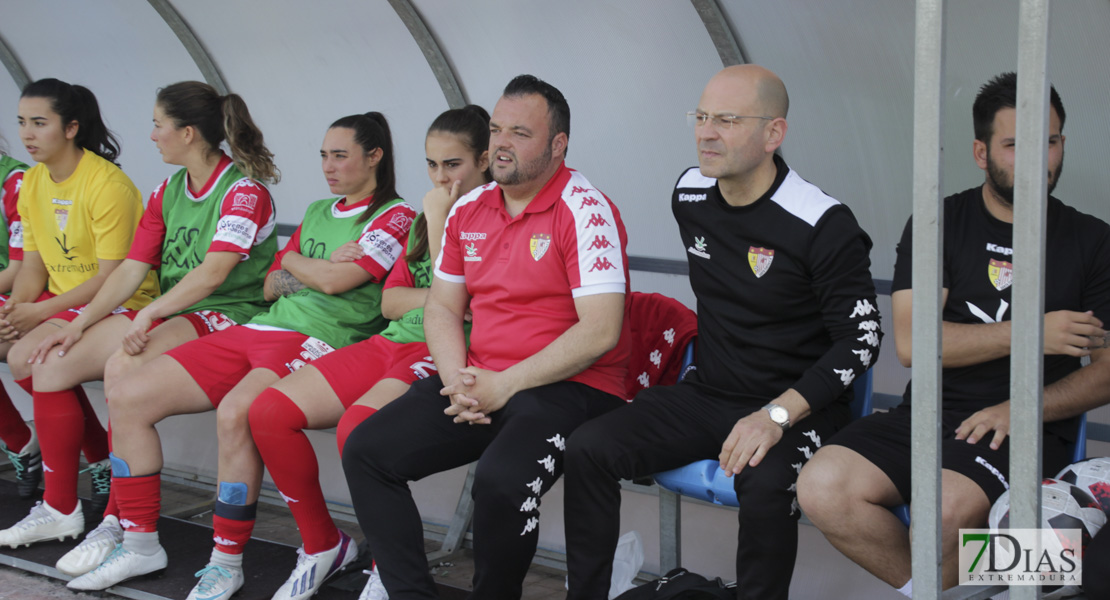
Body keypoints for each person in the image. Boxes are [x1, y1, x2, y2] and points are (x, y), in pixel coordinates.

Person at [563, 64, 881, 600]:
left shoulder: (822, 222)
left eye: (728, 120)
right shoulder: (690, 194)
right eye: (702, 116)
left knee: (764, 482)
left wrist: (776, 415)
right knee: (589, 448)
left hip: (798, 406)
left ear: (773, 134)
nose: (706, 132)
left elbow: (862, 339)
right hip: (707, 392)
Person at [66, 112, 415, 600]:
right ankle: (140, 542)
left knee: (237, 412)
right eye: (323, 155)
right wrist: (302, 263)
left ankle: (226, 562)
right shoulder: (317, 210)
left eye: (341, 155)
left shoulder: (397, 215)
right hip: (259, 327)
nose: (328, 167)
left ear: (374, 156)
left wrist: (297, 264)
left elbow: (339, 282)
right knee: (128, 394)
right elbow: (273, 283)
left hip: (320, 339)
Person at [797, 72, 1110, 594]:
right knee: (821, 486)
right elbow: (914, 344)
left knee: (942, 514)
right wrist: (1032, 332)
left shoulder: (1093, 240)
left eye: (1050, 142)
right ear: (981, 152)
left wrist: (1022, 408)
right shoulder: (939, 222)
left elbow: (1106, 374)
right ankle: (955, 589)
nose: (1037, 159)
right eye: (1015, 145)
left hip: (1023, 430)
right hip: (925, 416)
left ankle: (997, 579)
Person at [342, 74, 630, 600]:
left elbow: (601, 331)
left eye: (519, 133)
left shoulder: (587, 210)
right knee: (367, 450)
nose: (500, 144)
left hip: (574, 386)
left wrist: (504, 384)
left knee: (501, 479)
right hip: (482, 379)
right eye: (496, 130)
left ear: (557, 144)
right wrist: (457, 380)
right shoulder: (469, 211)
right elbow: (442, 308)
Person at [17, 80, 278, 577]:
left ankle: (124, 521)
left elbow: (213, 274)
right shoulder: (168, 189)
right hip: (179, 311)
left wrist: (150, 314)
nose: (152, 135)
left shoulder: (243, 190)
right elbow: (132, 269)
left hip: (234, 315)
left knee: (123, 370)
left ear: (188, 133)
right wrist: (80, 324)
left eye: (159, 125)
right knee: (108, 368)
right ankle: (121, 521)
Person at [248, 105, 490, 600]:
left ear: (484, 162)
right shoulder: (426, 215)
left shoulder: (491, 215)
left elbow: (472, 301)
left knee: (359, 431)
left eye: (454, 164)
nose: (440, 177)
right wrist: (440, 289)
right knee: (268, 411)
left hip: (450, 350)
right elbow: (391, 299)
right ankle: (322, 546)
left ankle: (390, 563)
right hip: (393, 339)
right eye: (432, 165)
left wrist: (441, 225)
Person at [0, 78, 157, 546]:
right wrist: (16, 310)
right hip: (68, 305)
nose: (28, 134)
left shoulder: (107, 183)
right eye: (22, 123)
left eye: (40, 123)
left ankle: (61, 504)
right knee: (15, 346)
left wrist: (40, 309)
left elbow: (113, 277)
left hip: (123, 304)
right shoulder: (32, 182)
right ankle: (89, 462)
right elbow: (32, 264)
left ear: (71, 128)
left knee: (34, 359)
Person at [0, 140, 34, 497]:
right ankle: (21, 442)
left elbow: (18, 269)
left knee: (39, 362)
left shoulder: (16, 180)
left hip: (24, 292)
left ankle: (20, 440)